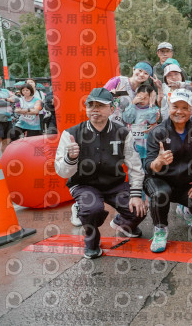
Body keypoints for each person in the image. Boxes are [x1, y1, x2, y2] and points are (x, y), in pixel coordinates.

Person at [54, 88, 147, 259]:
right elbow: (62, 172)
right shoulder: (71, 134)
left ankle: (122, 223)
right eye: (91, 105)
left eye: (100, 105)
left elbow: (135, 166)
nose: (95, 109)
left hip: (114, 183)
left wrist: (135, 195)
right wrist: (70, 158)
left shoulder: (123, 133)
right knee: (92, 209)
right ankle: (91, 241)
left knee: (139, 209)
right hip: (83, 184)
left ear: (111, 109)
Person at [144, 89, 192, 253]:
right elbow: (148, 165)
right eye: (175, 106)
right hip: (159, 181)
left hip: (184, 183)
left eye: (185, 108)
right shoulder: (158, 132)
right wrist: (159, 161)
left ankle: (185, 210)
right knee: (161, 193)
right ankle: (160, 229)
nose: (179, 111)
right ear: (168, 107)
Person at [122, 84, 160, 164]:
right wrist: (132, 103)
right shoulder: (131, 107)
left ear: (151, 98)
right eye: (139, 97)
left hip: (146, 144)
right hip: (132, 143)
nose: (142, 100)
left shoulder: (154, 109)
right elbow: (127, 119)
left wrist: (152, 104)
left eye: (145, 98)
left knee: (146, 165)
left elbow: (152, 120)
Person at [0, 74, 16, 155]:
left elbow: (17, 99)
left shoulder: (5, 91)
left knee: (6, 141)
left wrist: (5, 99)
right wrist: (10, 101)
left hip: (8, 119)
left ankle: (4, 160)